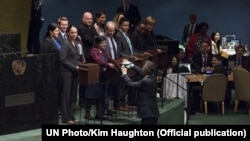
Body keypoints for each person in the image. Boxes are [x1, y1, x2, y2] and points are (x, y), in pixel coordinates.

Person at [87, 35, 119, 119]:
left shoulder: (103, 51)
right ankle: (87, 114)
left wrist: (118, 65)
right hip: (94, 76)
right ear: (97, 44)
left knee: (101, 95)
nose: (104, 45)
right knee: (91, 95)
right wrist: (107, 64)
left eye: (105, 43)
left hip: (103, 76)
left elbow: (110, 59)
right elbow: (98, 61)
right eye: (103, 43)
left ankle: (99, 113)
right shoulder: (94, 51)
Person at [60, 25, 85, 124]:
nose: (74, 34)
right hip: (67, 73)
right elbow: (63, 59)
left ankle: (72, 116)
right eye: (72, 33)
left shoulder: (77, 43)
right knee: (66, 95)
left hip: (75, 73)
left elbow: (78, 57)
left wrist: (81, 63)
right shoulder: (66, 44)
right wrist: (74, 67)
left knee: (73, 95)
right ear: (68, 33)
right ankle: (65, 118)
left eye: (76, 33)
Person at [121, 60, 159, 125]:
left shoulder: (145, 81)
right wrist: (131, 65)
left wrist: (124, 73)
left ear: (146, 71)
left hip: (148, 113)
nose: (142, 68)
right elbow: (141, 72)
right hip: (153, 112)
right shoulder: (152, 77)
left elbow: (130, 84)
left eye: (143, 67)